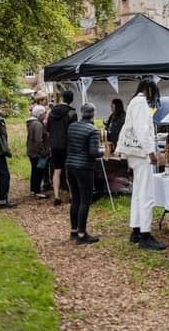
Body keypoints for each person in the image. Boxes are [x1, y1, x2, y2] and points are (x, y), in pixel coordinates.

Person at [115, 79, 165, 251]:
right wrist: (151, 152)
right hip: (141, 154)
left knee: (138, 193)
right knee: (146, 194)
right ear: (149, 90)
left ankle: (136, 230)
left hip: (134, 154)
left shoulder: (134, 102)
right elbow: (143, 130)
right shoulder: (141, 103)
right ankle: (145, 234)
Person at [66, 103, 105, 244]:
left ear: (82, 113)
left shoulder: (72, 127)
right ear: (93, 113)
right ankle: (82, 234)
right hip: (84, 168)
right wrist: (103, 151)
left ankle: (74, 230)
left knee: (75, 199)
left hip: (70, 166)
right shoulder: (93, 130)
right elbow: (94, 152)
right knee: (85, 200)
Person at [47, 90, 77, 205]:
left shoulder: (51, 112)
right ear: (71, 100)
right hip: (67, 146)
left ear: (62, 98)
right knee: (69, 170)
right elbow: (74, 131)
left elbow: (48, 128)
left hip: (54, 145)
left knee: (57, 170)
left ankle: (56, 196)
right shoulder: (72, 113)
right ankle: (72, 196)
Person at [26, 105, 50, 199]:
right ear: (40, 114)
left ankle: (33, 190)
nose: (45, 115)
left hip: (31, 151)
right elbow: (38, 140)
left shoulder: (31, 123)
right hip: (38, 153)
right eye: (44, 113)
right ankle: (37, 191)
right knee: (38, 172)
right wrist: (43, 152)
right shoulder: (38, 125)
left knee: (34, 171)